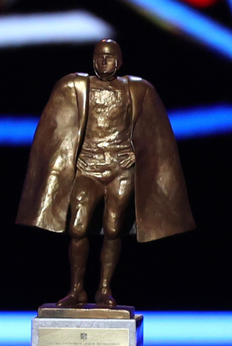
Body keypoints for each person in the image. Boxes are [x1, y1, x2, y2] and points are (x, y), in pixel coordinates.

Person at [17, 39, 194, 308]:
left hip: (120, 169)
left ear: (120, 61)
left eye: (110, 57)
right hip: (87, 168)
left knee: (113, 228)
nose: (104, 62)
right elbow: (54, 129)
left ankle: (104, 289)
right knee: (77, 228)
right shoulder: (77, 87)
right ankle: (77, 290)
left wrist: (138, 156)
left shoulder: (137, 89)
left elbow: (156, 136)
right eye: (99, 57)